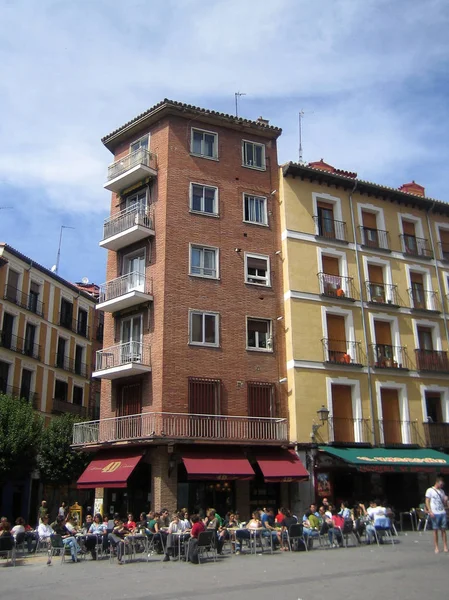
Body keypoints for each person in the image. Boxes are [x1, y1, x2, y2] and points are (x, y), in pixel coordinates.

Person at [425, 476, 448, 554]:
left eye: (442, 485)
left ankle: (445, 546)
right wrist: (430, 511)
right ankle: (436, 547)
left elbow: (444, 503)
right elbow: (427, 501)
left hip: (442, 512)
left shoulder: (442, 491)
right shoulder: (430, 490)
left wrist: (445, 500)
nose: (441, 486)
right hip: (435, 512)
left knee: (443, 530)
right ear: (437, 483)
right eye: (441, 484)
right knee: (435, 530)